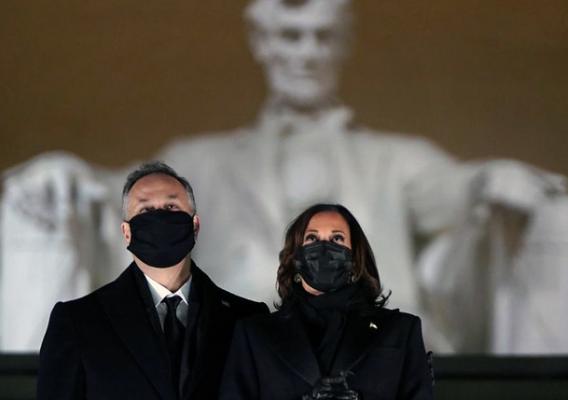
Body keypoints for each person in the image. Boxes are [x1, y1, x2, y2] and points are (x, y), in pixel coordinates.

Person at [1, 0, 565, 353]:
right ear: (262, 43)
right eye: (291, 37)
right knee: (34, 202)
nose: (307, 54)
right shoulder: (200, 158)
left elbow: (455, 191)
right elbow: (118, 194)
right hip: (228, 358)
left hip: (363, 356)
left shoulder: (395, 159)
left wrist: (494, 176)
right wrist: (62, 172)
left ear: (343, 44)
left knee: (545, 212)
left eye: (322, 37)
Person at [36, 161, 269, 400]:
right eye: (146, 210)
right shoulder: (78, 322)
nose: (160, 217)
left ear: (195, 226)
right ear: (126, 232)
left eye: (171, 206)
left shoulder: (248, 319)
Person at [220, 204, 433, 400]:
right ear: (296, 257)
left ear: (356, 258)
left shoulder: (400, 330)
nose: (323, 248)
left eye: (337, 239)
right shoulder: (254, 335)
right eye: (312, 239)